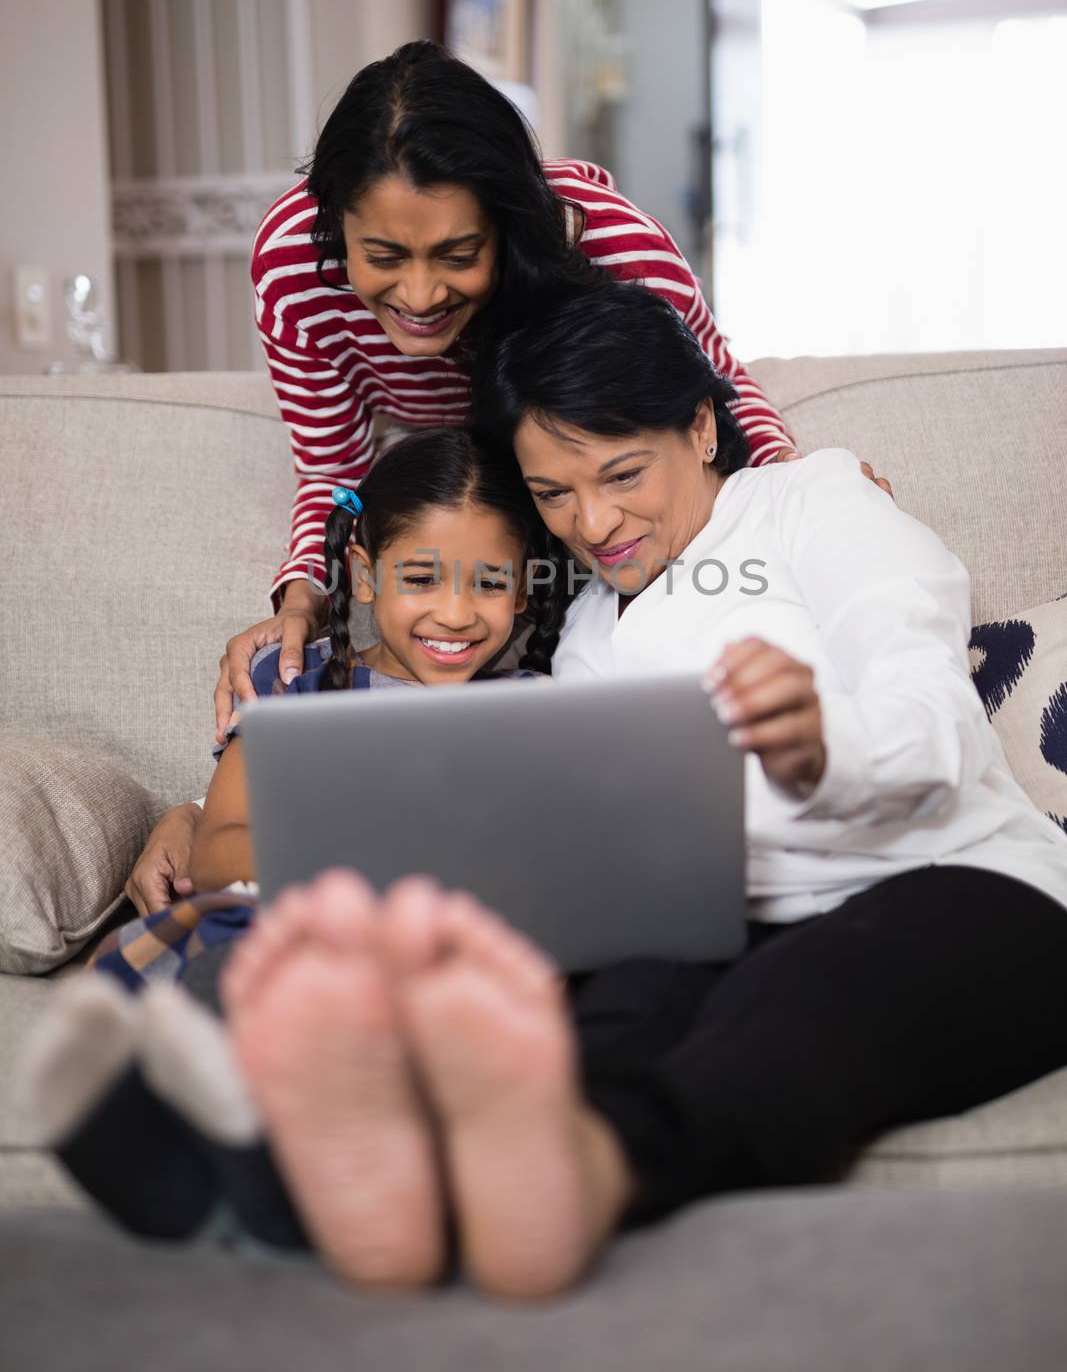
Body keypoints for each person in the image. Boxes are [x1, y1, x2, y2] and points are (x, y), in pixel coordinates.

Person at [55, 281, 1067, 1301]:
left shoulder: (819, 504)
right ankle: (330, 1187)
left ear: (702, 427)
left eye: (621, 474)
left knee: (792, 1009)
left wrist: (818, 749)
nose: (593, 522)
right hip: (723, 906)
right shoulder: (583, 629)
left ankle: (573, 1181)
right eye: (552, 494)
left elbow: (931, 719)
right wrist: (194, 812)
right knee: (605, 1011)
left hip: (953, 883)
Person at [213, 39, 800, 745]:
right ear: (338, 226)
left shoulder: (615, 245)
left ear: (509, 223)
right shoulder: (292, 268)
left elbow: (713, 389)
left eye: (459, 256)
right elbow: (336, 473)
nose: (421, 296)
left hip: (559, 471)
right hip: (466, 484)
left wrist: (796, 492)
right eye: (383, 257)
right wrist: (304, 591)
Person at [121, 428, 542, 937]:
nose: (455, 614)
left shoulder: (535, 709)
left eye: (490, 583)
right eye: (421, 579)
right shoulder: (300, 688)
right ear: (364, 577)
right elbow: (213, 856)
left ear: (520, 590)